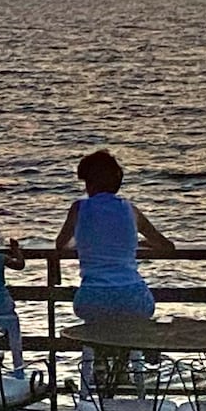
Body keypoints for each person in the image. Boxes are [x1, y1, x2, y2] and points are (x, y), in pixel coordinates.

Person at [55, 149, 175, 395]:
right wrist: (138, 244)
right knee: (130, 322)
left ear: (90, 183)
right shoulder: (130, 210)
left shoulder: (79, 209)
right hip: (133, 298)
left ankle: (101, 363)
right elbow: (166, 246)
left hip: (93, 298)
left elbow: (61, 245)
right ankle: (122, 368)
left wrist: (82, 245)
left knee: (100, 321)